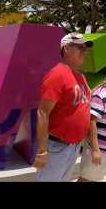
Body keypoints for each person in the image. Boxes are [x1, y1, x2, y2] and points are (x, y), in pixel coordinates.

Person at [33, 32, 93, 181]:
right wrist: (42, 151)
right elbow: (42, 113)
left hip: (73, 147)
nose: (84, 52)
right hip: (57, 147)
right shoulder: (57, 74)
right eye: (80, 48)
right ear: (66, 49)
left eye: (85, 49)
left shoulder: (81, 77)